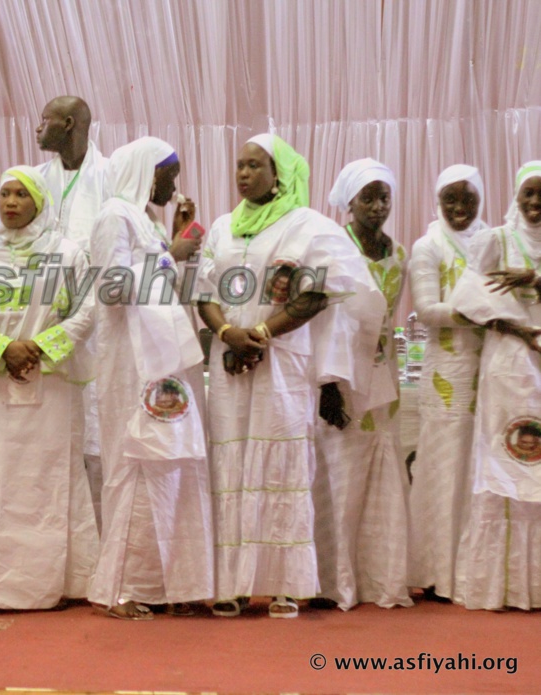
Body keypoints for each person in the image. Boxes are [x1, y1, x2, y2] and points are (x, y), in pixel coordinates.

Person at [195, 134, 385, 618]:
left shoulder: (307, 226)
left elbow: (318, 293)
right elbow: (204, 293)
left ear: (278, 173)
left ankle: (284, 585)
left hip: (283, 361)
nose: (243, 174)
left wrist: (260, 333)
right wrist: (229, 334)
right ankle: (233, 585)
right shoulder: (222, 227)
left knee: (283, 463)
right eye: (239, 165)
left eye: (254, 165)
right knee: (232, 465)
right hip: (230, 360)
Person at [0, 166, 99, 612]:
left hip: (51, 386)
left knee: (48, 483)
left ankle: (51, 584)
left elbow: (86, 312)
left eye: (21, 195)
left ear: (39, 202)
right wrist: (2, 349)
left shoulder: (67, 254)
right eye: (5, 194)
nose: (10, 202)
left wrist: (39, 348)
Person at [87, 136, 212, 620]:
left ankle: (165, 585)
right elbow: (111, 287)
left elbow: (169, 292)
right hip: (130, 365)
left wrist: (176, 242)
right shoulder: (114, 216)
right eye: (168, 175)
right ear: (144, 172)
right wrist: (170, 255)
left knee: (168, 464)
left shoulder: (148, 222)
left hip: (162, 364)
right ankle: (121, 589)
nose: (174, 186)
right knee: (133, 464)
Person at [313, 159, 413, 610]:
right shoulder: (334, 248)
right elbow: (323, 319)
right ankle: (334, 583)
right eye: (367, 198)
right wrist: (327, 385)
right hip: (340, 373)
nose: (377, 206)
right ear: (349, 203)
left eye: (384, 197)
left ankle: (379, 577)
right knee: (339, 471)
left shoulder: (400, 255)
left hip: (383, 375)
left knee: (380, 466)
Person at [448, 161, 541, 610]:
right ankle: (500, 584)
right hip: (508, 362)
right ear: (515, 197)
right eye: (528, 193)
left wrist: (535, 279)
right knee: (504, 459)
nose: (535, 203)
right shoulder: (496, 241)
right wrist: (517, 328)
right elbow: (465, 304)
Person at [406, 165, 489, 602]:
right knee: (445, 467)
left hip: (490, 367)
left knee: (482, 465)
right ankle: (439, 572)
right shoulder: (428, 246)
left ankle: (481, 569)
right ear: (437, 201)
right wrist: (483, 315)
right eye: (450, 199)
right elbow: (426, 310)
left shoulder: (494, 240)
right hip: (446, 373)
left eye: (468, 199)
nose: (460, 208)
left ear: (481, 199)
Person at [36, 95, 112, 527]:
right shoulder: (35, 179)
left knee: (97, 440)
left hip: (98, 329)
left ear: (68, 124)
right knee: (52, 439)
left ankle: (101, 540)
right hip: (43, 326)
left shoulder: (109, 177)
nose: (37, 128)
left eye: (44, 120)